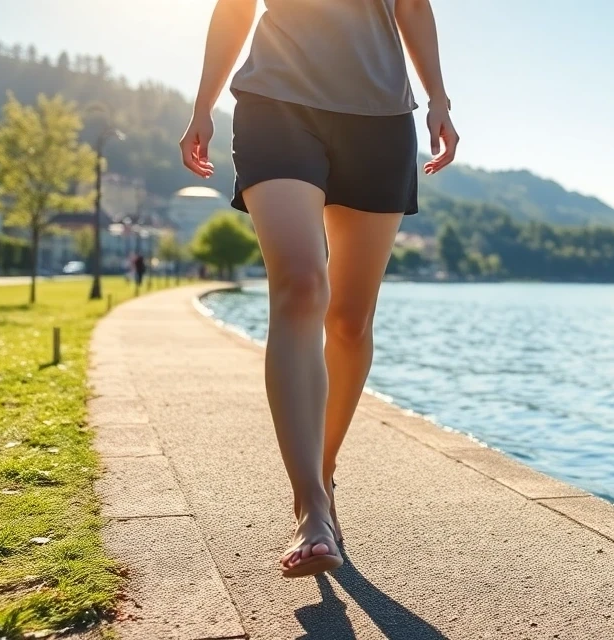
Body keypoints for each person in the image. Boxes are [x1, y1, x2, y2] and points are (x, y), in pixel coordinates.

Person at [180, 0, 458, 578]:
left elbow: (411, 5)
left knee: (351, 321)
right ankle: (308, 505)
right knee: (302, 285)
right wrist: (203, 104)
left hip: (379, 116)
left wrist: (439, 98)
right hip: (276, 102)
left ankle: (323, 472)